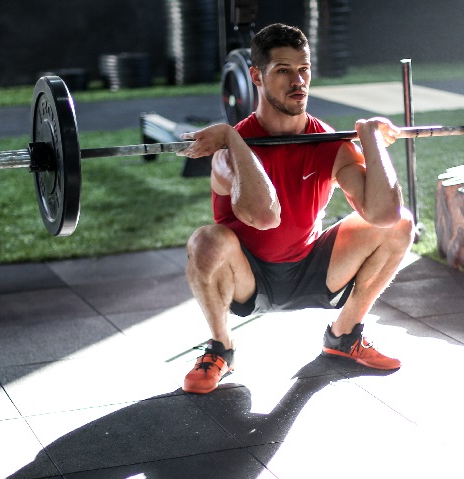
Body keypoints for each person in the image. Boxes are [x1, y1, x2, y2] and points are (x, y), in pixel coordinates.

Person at [177, 23, 414, 394]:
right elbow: (264, 215)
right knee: (207, 241)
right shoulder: (226, 154)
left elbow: (384, 215)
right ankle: (221, 348)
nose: (298, 81)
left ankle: (344, 336)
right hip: (248, 279)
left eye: (303, 70)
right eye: (283, 71)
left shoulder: (328, 142)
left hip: (310, 268)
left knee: (401, 224)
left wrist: (372, 141)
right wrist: (231, 137)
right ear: (256, 76)